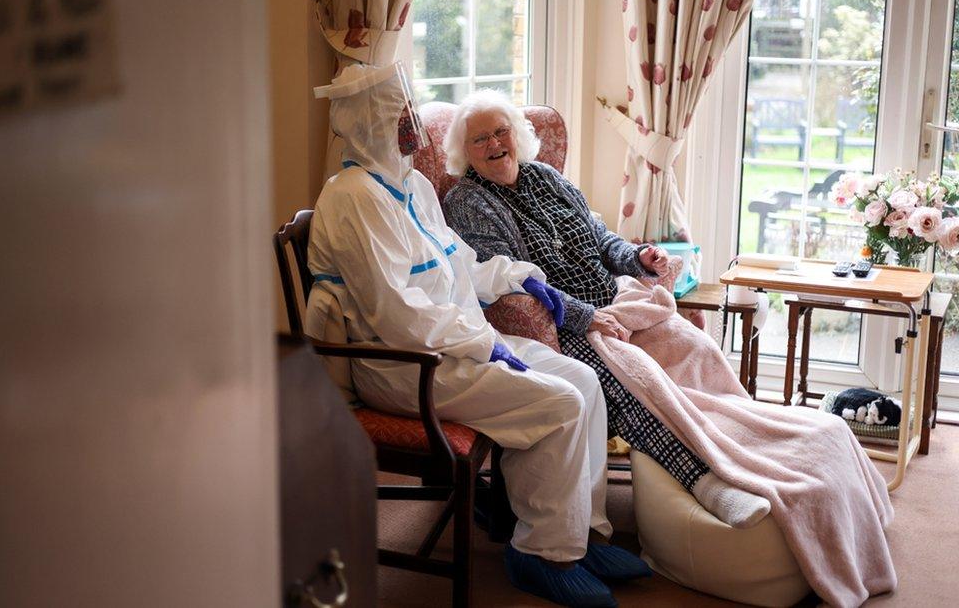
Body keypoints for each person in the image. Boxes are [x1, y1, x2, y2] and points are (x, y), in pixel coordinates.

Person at [308, 63, 650, 608]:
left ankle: (582, 536)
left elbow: (460, 263)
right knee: (560, 403)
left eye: (411, 113)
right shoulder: (354, 199)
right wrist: (484, 343)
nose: (411, 127)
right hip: (404, 365)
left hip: (456, 344)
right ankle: (542, 555)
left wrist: (528, 280)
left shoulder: (411, 185)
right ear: (365, 124)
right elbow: (398, 316)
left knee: (583, 382)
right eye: (398, 117)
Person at [441, 89, 771, 529]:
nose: (494, 144)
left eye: (501, 131)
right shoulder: (468, 202)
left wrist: (636, 259)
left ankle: (744, 448)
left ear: (517, 134)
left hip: (616, 301)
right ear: (464, 152)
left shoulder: (545, 176)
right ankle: (708, 481)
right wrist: (583, 315)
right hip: (566, 326)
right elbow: (510, 282)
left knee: (696, 349)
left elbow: (599, 235)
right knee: (635, 385)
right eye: (479, 139)